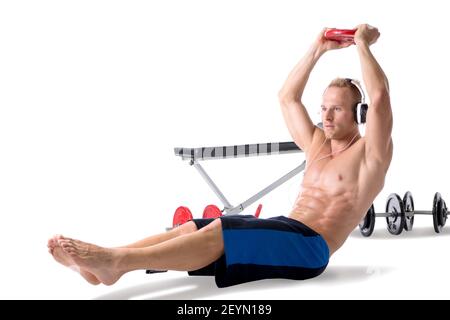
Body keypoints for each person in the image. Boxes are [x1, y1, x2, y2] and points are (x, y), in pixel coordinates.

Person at [47, 24, 393, 287]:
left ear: (359, 114)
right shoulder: (317, 143)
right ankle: (108, 264)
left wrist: (362, 43)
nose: (327, 116)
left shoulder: (370, 155)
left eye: (337, 110)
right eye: (324, 108)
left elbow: (378, 98)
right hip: (287, 228)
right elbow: (287, 97)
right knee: (193, 228)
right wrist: (318, 48)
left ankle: (114, 261)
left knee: (221, 230)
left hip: (311, 248)